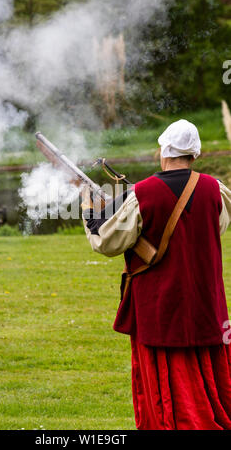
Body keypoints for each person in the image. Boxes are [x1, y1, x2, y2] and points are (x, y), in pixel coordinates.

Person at [81, 119, 231, 430]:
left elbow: (107, 242)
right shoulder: (215, 189)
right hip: (206, 301)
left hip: (160, 304)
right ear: (195, 154)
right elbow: (213, 226)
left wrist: (89, 210)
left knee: (166, 385)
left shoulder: (142, 193)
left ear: (162, 151)